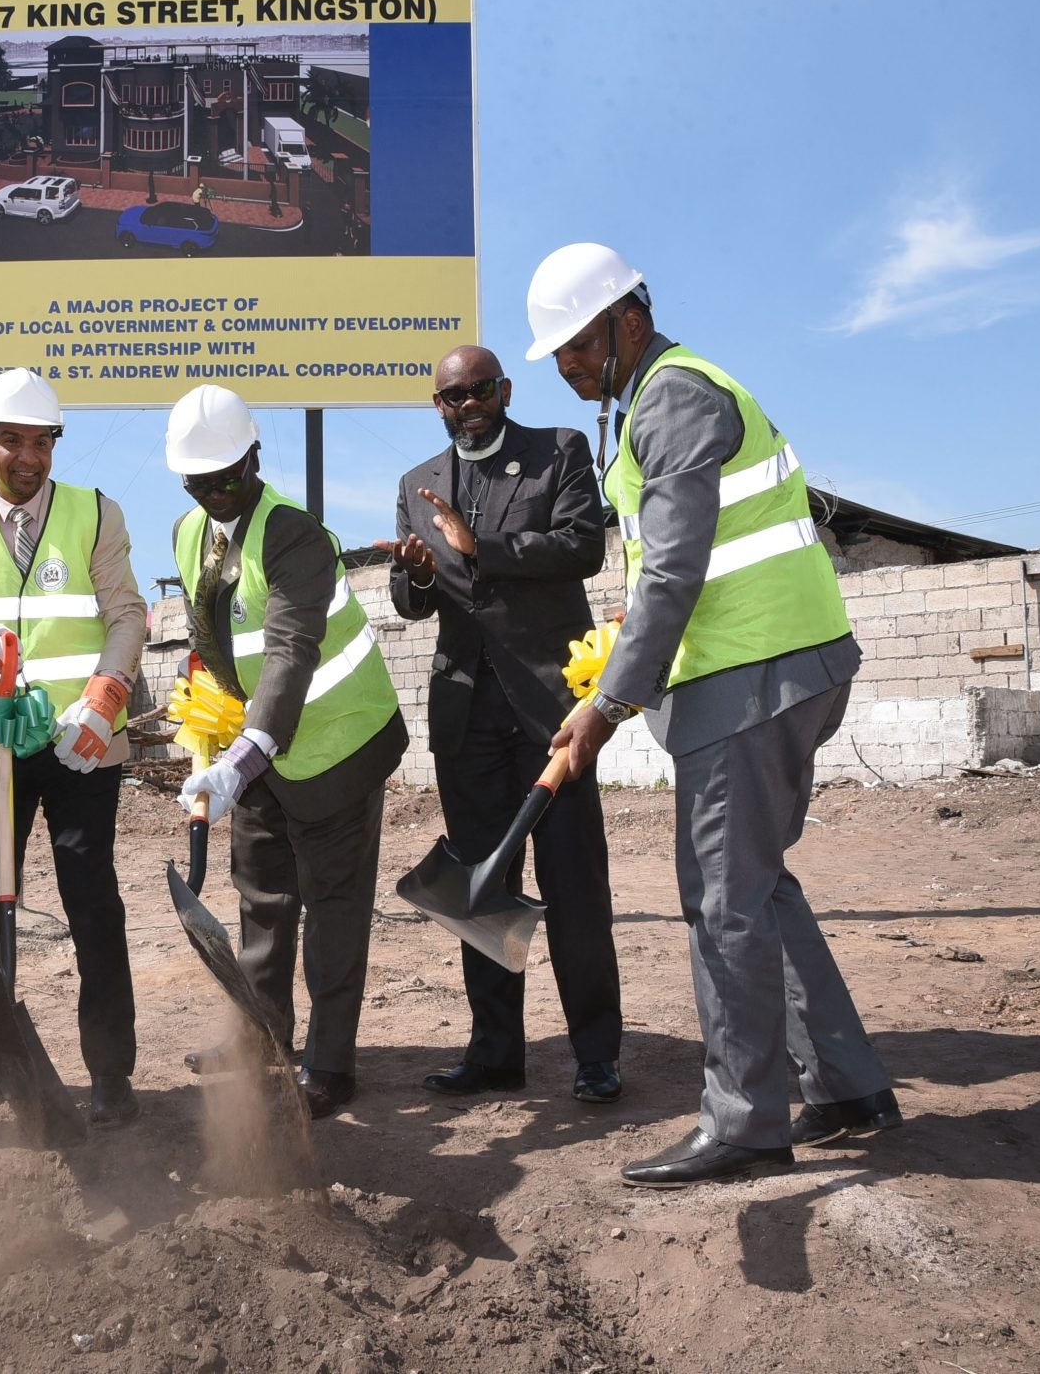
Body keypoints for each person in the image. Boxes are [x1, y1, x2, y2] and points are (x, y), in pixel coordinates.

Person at [528, 243, 900, 1189]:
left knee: (723, 900)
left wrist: (609, 704)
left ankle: (743, 1120)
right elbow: (668, 570)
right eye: (558, 352)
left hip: (754, 674)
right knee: (760, 885)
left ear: (629, 321)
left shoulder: (673, 398)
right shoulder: (653, 400)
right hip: (769, 664)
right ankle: (847, 1082)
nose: (566, 364)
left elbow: (678, 568)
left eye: (575, 344)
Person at [372, 345, 624, 1105]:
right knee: (481, 889)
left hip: (550, 709)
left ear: (504, 390)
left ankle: (596, 1054)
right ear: (438, 405)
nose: (468, 403)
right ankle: (495, 1053)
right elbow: (412, 602)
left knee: (573, 882)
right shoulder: (417, 484)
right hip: (466, 715)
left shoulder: (559, 452)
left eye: (481, 389)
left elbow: (583, 546)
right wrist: (417, 574)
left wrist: (484, 548)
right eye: (453, 395)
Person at [166, 384, 408, 1118]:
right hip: (258, 749)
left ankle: (330, 1066)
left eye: (228, 477)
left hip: (337, 745)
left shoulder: (295, 536)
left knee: (332, 915)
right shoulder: (187, 532)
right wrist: (211, 719)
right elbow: (214, 638)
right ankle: (259, 1039)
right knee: (261, 901)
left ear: (255, 457)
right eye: (199, 481)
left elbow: (290, 651)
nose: (215, 493)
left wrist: (242, 761)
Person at [0, 369, 147, 1128]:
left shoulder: (94, 513)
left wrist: (105, 697)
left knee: (94, 902)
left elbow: (127, 614)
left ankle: (110, 1071)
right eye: (11, 439)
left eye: (41, 440)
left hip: (82, 746)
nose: (28, 455)